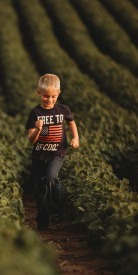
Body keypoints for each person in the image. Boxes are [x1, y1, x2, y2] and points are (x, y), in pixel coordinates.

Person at [25, 74, 79, 230]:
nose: (49, 100)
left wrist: (75, 138)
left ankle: (57, 210)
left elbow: (71, 122)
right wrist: (39, 129)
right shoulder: (35, 113)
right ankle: (43, 219)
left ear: (59, 93)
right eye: (45, 96)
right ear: (38, 93)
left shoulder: (63, 109)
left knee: (50, 177)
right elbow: (31, 140)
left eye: (53, 96)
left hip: (57, 153)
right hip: (39, 156)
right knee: (40, 188)